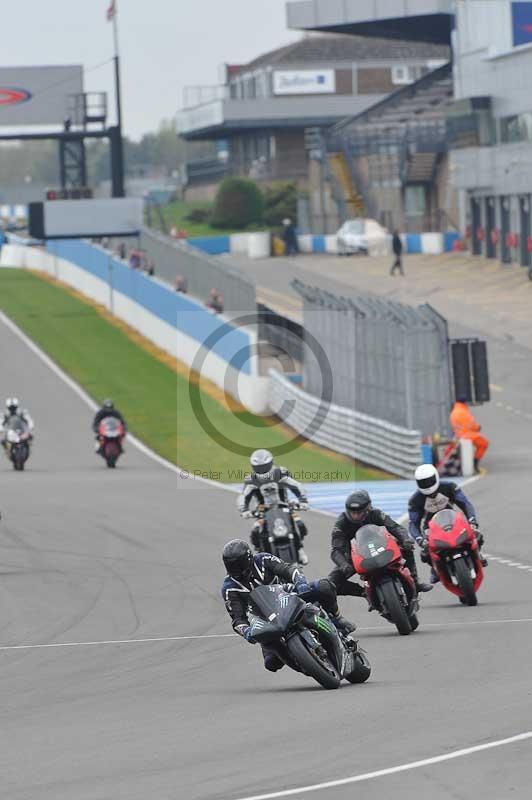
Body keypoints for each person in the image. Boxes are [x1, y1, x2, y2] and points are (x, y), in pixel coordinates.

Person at [221, 539, 355, 672]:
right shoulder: (229, 588)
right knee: (271, 663)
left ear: (248, 559)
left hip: (289, 595)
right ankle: (299, 660)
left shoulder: (263, 559)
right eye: (231, 566)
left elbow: (288, 569)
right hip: (266, 619)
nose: (236, 570)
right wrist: (246, 631)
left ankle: (336, 618)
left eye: (239, 565)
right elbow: (237, 619)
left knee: (325, 587)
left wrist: (300, 582)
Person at [329, 489, 433, 598]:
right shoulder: (341, 523)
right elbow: (336, 550)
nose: (355, 516)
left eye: (359, 512)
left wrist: (405, 539)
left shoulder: (376, 514)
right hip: (356, 555)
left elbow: (395, 527)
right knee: (331, 583)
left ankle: (415, 582)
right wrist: (344, 564)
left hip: (380, 545)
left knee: (406, 547)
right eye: (352, 512)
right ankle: (364, 593)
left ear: (368, 508)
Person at [408, 464, 487, 582]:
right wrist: (419, 539)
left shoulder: (449, 487)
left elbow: (465, 503)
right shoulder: (415, 500)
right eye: (423, 482)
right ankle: (435, 568)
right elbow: (413, 523)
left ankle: (477, 555)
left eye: (429, 480)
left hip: (454, 520)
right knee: (425, 553)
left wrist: (472, 520)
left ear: (436, 476)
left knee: (477, 535)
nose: (427, 484)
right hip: (431, 528)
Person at [238, 449, 310, 564]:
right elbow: (244, 496)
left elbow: (295, 485)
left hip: (285, 508)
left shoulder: (281, 472)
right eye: (259, 468)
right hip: (262, 513)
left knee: (300, 524)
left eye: (264, 467)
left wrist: (303, 500)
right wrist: (244, 510)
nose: (262, 470)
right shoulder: (250, 480)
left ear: (271, 463)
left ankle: (299, 548)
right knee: (255, 531)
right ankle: (259, 554)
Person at [450, 395, 489, 473]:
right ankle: (475, 462)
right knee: (484, 443)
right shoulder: (463, 412)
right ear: (465, 403)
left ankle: (472, 462)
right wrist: (478, 427)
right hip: (467, 435)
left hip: (459, 434)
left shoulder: (455, 410)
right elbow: (471, 425)